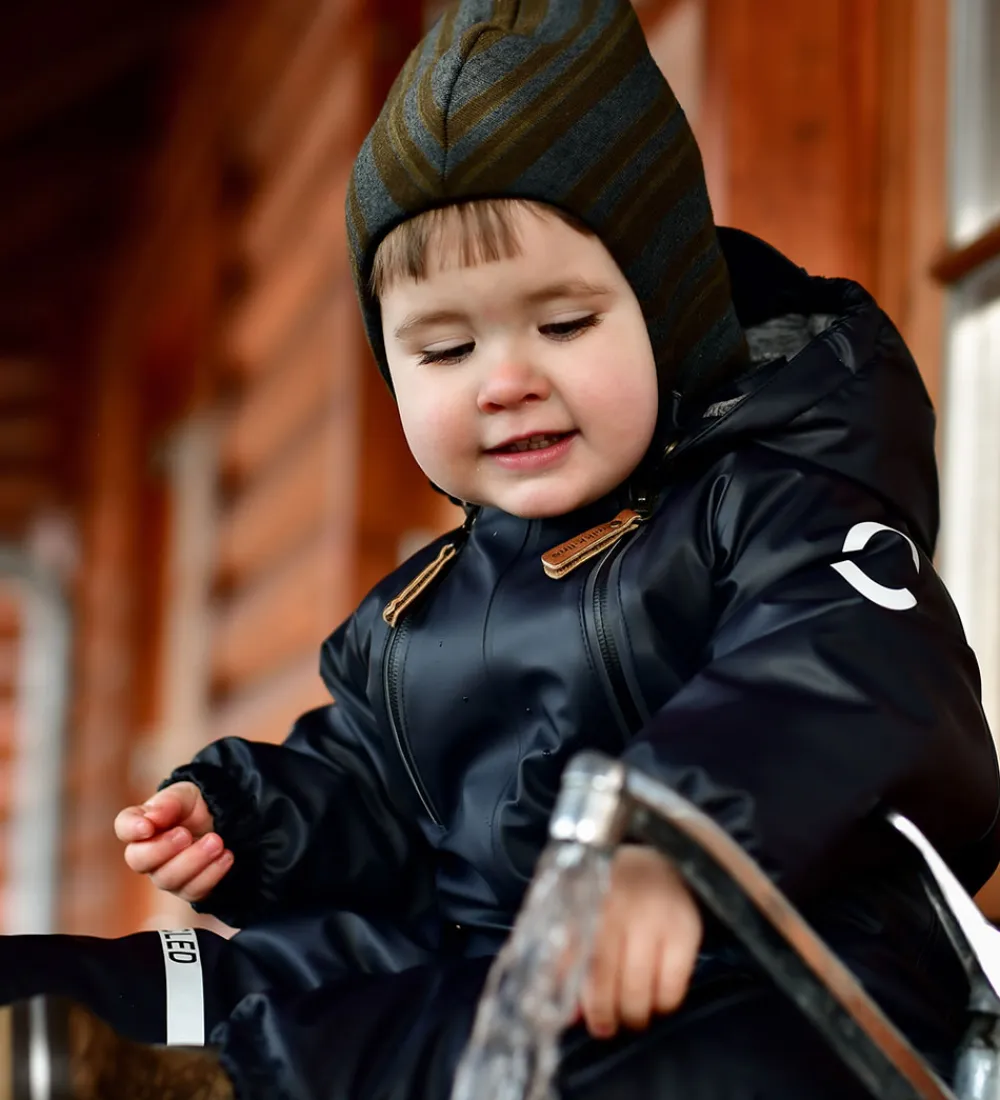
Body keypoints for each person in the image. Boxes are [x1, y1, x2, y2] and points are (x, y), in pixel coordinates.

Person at [3, 0, 999, 1097]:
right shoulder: (425, 608)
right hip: (469, 964)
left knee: (434, 1042)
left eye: (563, 326)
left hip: (761, 983)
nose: (505, 380)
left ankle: (197, 1084)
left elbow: (834, 680)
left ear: (668, 318)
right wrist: (257, 818)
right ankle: (84, 1039)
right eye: (444, 348)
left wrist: (671, 847)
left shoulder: (782, 512)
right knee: (166, 989)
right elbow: (373, 789)